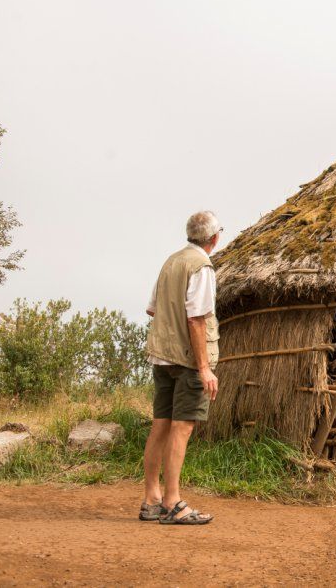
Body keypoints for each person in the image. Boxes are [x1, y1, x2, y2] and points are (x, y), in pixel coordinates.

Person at [139, 211, 222, 525]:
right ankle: (173, 502)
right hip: (188, 360)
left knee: (161, 425)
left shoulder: (170, 263)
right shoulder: (201, 267)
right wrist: (203, 367)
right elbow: (196, 318)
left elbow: (152, 309)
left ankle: (151, 499)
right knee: (182, 427)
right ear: (215, 238)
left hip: (162, 357)